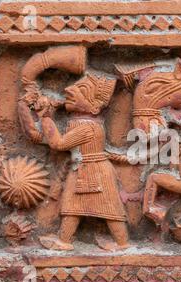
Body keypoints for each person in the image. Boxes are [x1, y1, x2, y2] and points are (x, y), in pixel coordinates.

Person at [39, 73, 129, 251]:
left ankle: (122, 243)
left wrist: (46, 117)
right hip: (85, 168)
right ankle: (64, 240)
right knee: (72, 206)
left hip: (93, 170)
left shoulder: (86, 127)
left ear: (95, 107)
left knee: (109, 208)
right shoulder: (81, 123)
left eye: (81, 89)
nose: (68, 90)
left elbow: (59, 143)